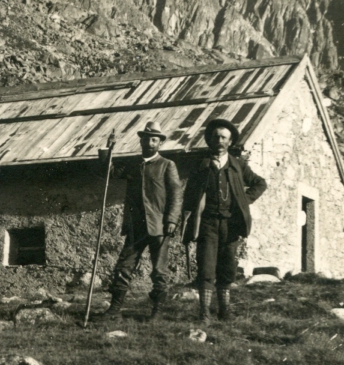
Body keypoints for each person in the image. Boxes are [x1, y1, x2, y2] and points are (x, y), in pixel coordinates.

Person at [181, 118, 267, 321]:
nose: (219, 140)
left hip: (231, 224)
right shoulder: (201, 165)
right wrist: (185, 220)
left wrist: (244, 201)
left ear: (230, 142)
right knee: (206, 267)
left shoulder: (238, 165)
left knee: (227, 267)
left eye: (223, 137)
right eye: (216, 137)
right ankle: (204, 312)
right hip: (208, 223)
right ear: (210, 140)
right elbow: (189, 195)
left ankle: (224, 310)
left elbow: (260, 183)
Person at [98, 121, 182, 320]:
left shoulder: (167, 165)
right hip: (136, 226)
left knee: (160, 271)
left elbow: (176, 194)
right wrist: (107, 149)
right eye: (146, 138)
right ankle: (114, 310)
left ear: (159, 143)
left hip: (159, 226)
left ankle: (157, 312)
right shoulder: (134, 165)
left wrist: (171, 219)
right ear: (141, 141)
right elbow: (109, 173)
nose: (150, 142)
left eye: (154, 139)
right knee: (123, 267)